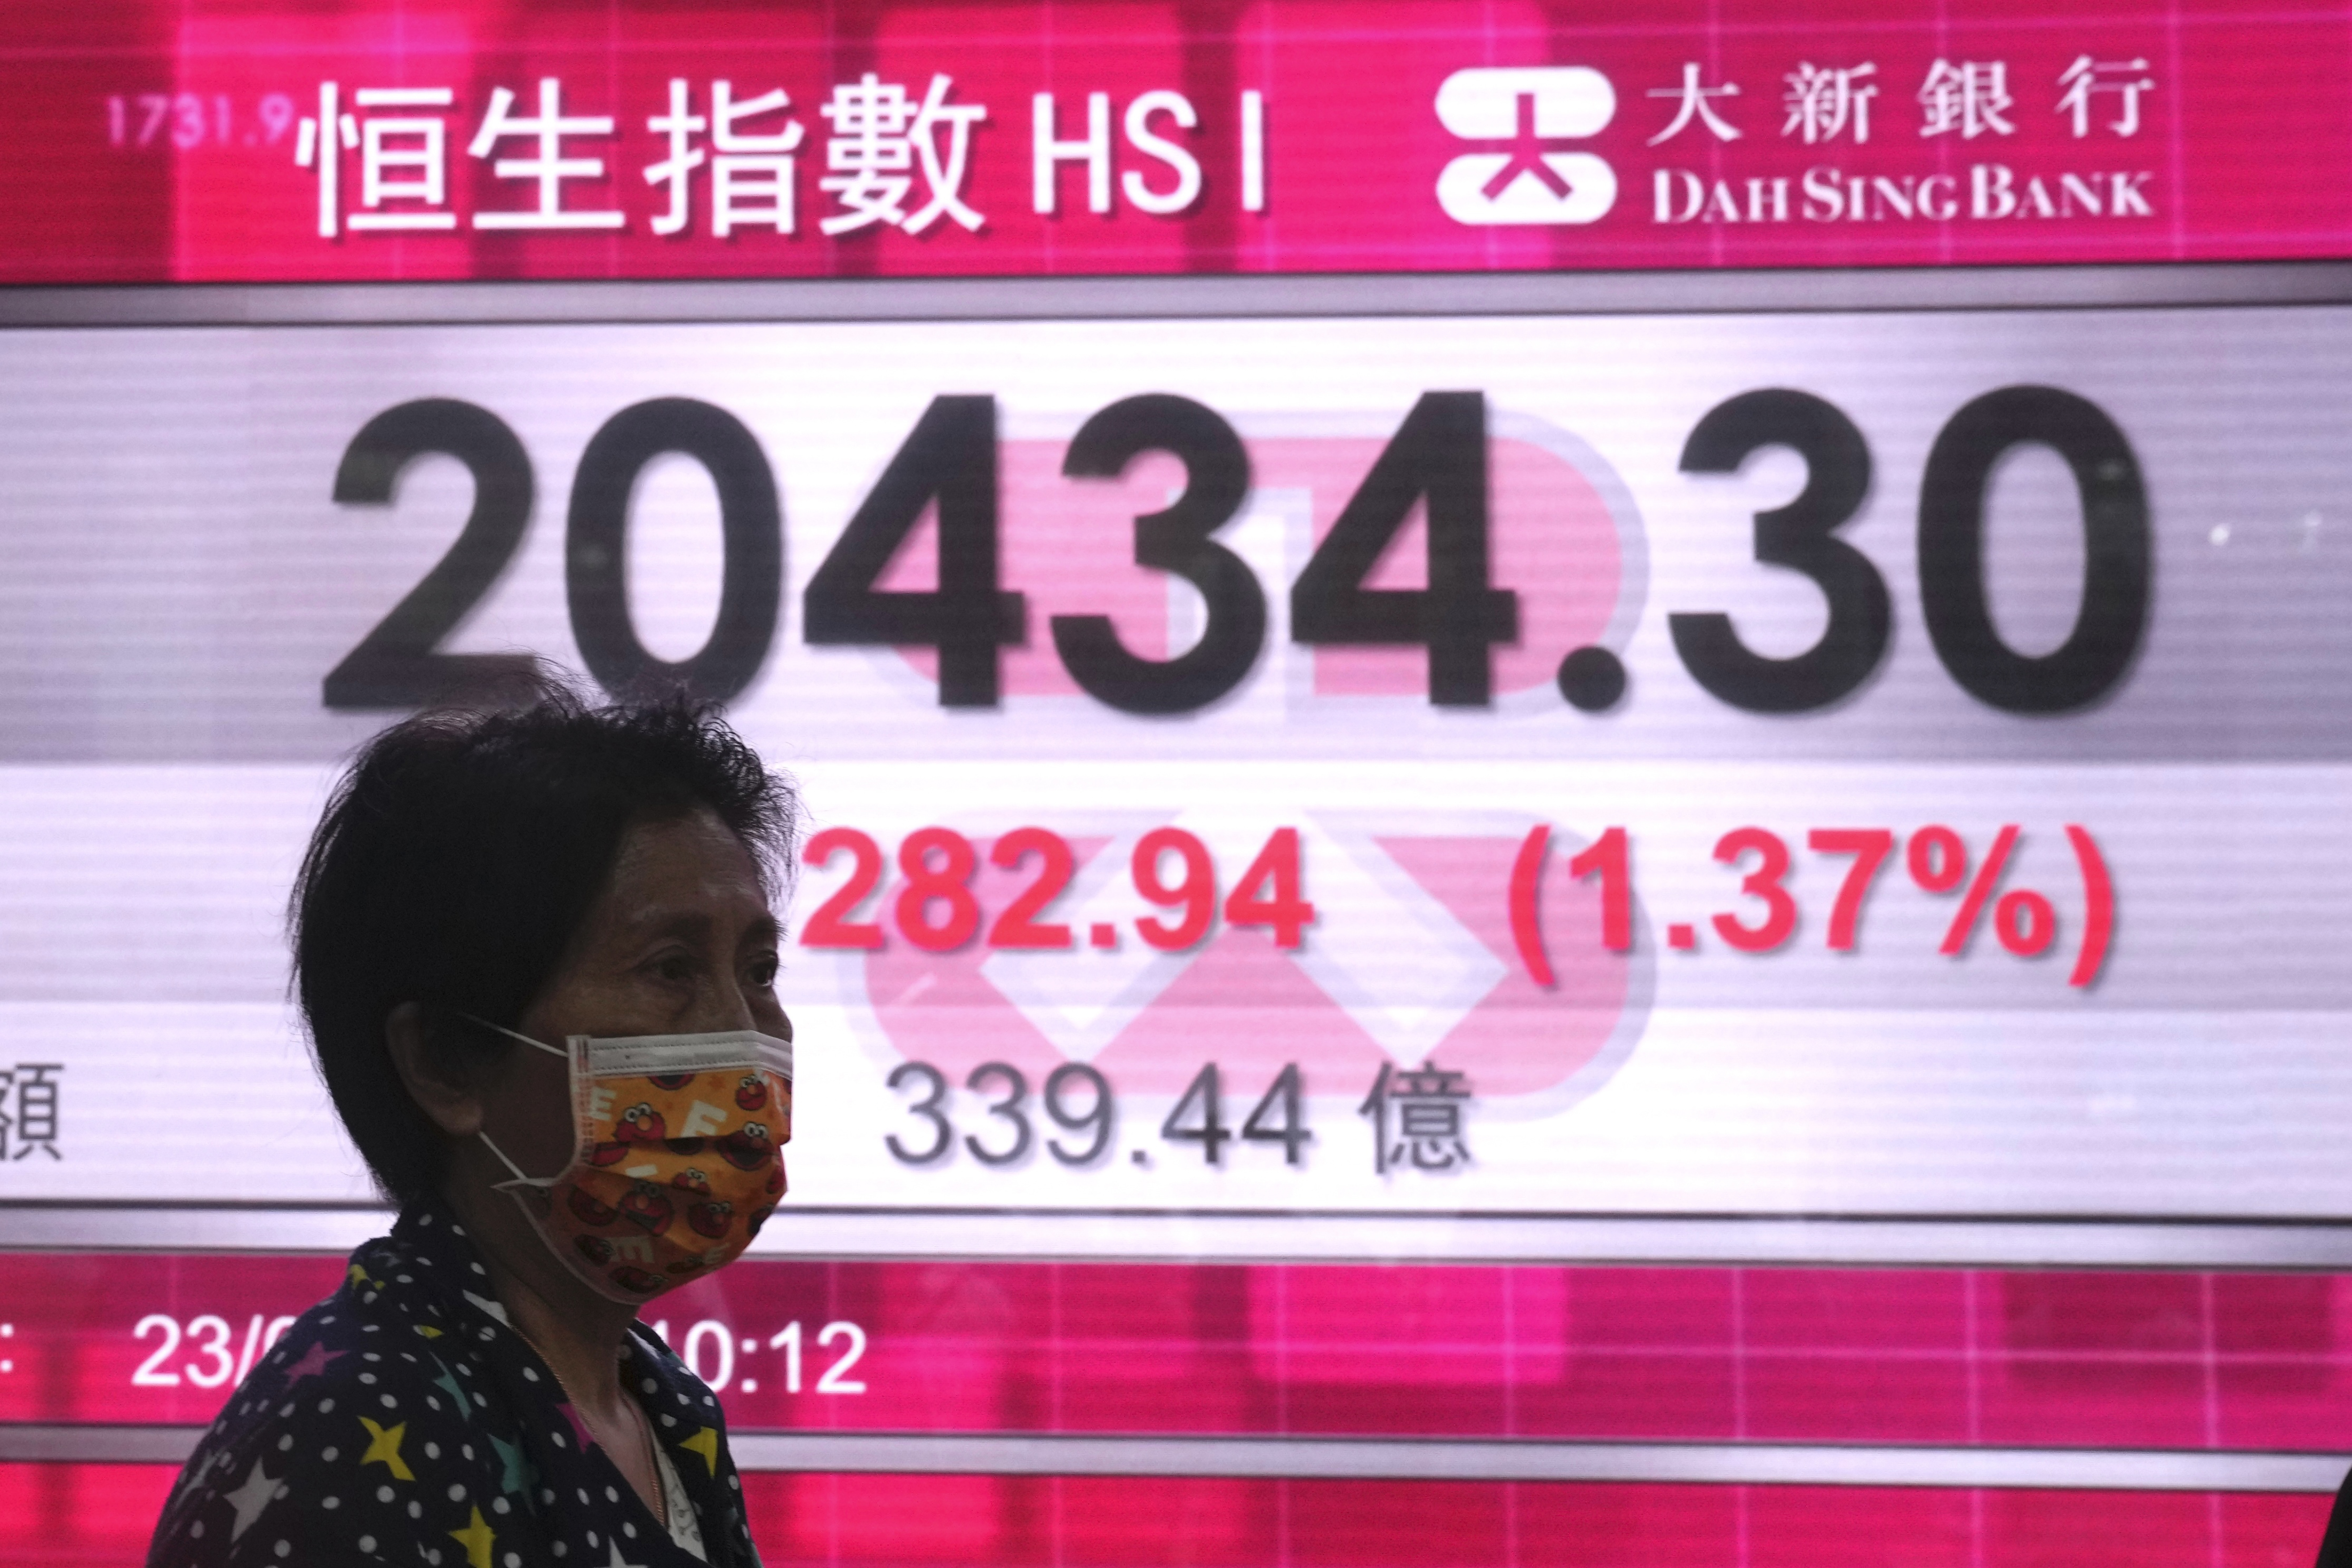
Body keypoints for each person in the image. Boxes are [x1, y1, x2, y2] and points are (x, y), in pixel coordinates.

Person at [147, 682, 797, 1566]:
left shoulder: (667, 1407)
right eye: (670, 968)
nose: (745, 1036)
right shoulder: (356, 1432)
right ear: (445, 1063)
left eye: (758, 969)